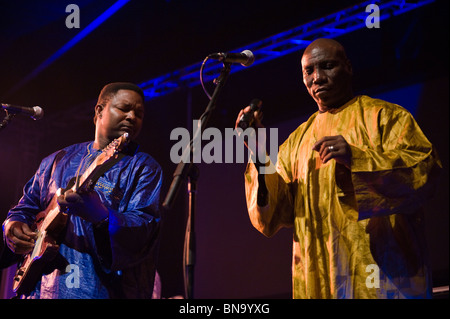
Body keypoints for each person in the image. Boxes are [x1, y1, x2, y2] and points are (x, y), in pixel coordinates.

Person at [236, 38, 442, 299]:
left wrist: (356, 158)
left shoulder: (386, 117)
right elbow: (270, 216)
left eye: (327, 66)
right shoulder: (297, 142)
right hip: (319, 278)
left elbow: (425, 171)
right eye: (308, 71)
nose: (317, 78)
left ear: (348, 67)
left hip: (382, 278)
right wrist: (256, 149)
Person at [2, 82, 163, 299]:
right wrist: (12, 225)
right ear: (99, 111)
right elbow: (25, 207)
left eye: (139, 113)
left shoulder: (143, 167)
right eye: (124, 109)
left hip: (102, 291)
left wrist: (101, 216)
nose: (132, 117)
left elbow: (144, 227)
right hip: (40, 289)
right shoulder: (56, 160)